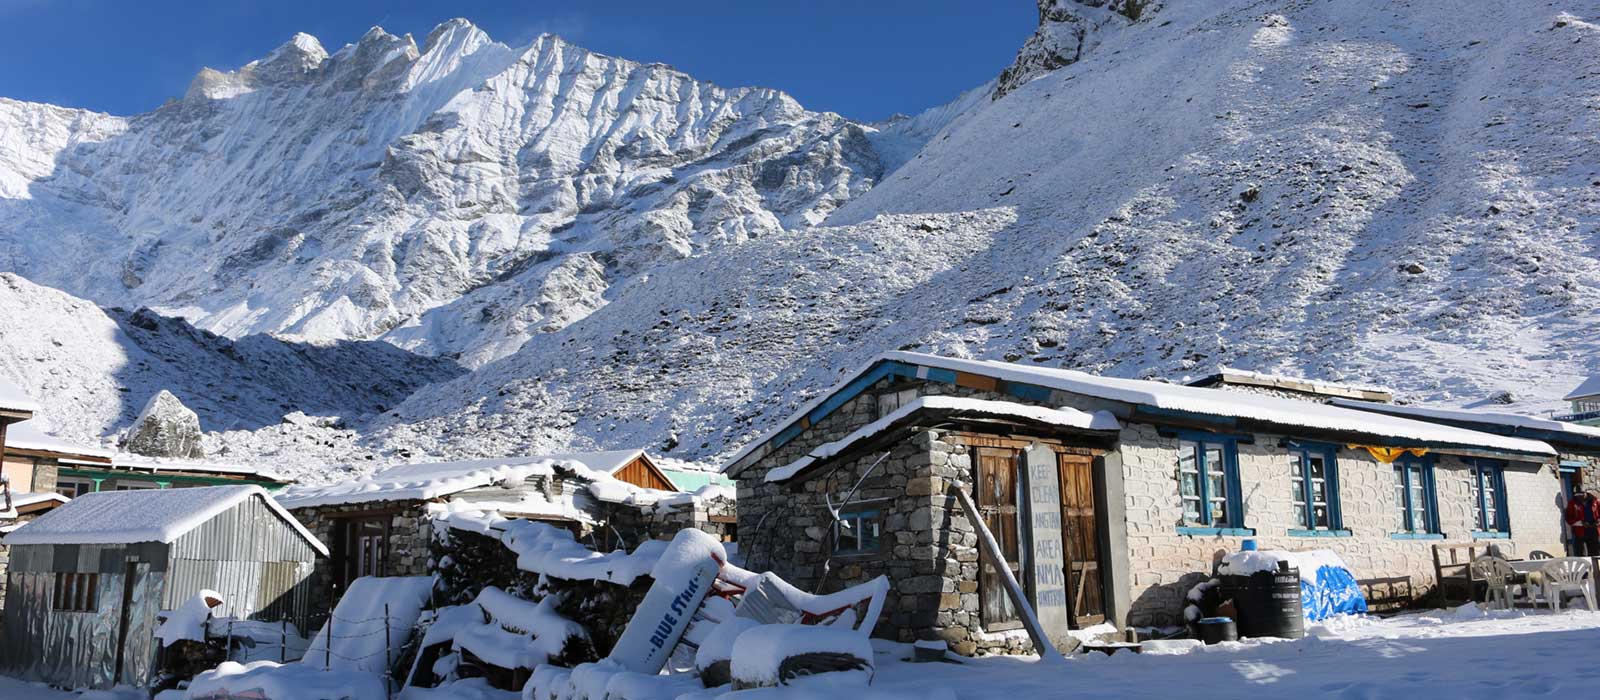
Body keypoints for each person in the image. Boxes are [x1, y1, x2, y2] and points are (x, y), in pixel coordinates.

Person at [1566, 491, 1600, 557]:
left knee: (1595, 553)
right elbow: (1568, 518)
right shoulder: (1572, 503)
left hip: (1594, 531)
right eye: (1577, 495)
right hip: (1580, 532)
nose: (1579, 497)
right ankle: (1585, 567)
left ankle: (1595, 567)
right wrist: (1581, 523)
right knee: (1581, 554)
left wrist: (1598, 521)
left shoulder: (1595, 501)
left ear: (1586, 493)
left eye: (1581, 494)